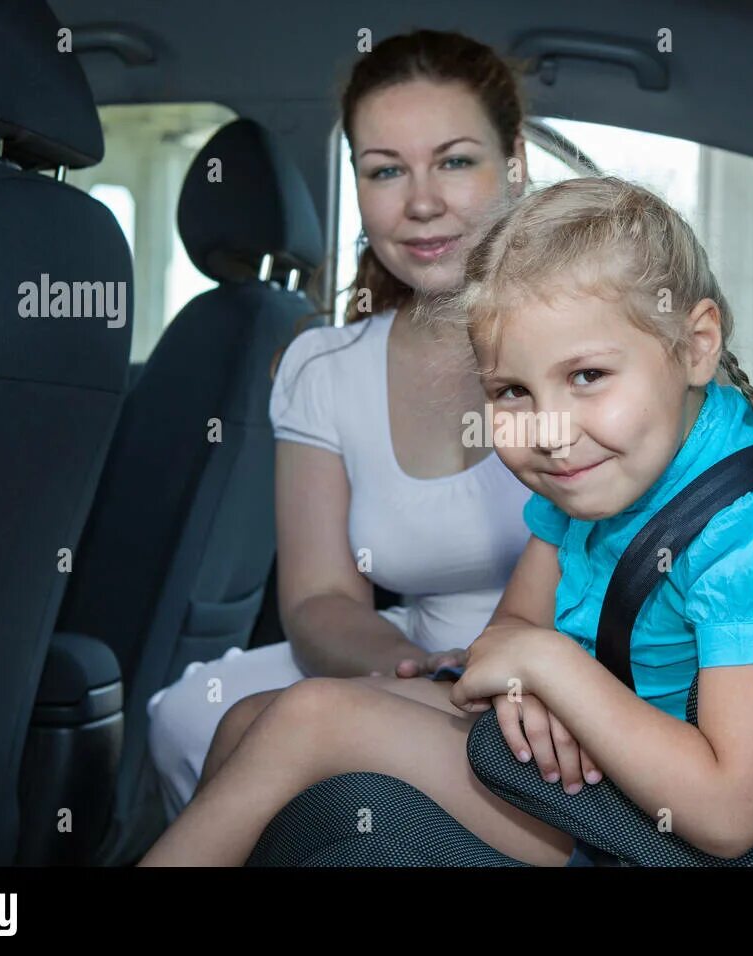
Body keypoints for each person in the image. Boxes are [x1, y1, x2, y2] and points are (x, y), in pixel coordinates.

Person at [138, 175, 753, 867]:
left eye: (587, 377)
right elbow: (505, 632)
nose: (547, 431)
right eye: (511, 390)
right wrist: (523, 674)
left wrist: (550, 668)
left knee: (309, 720)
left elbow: (730, 814)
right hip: (577, 770)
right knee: (244, 720)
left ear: (695, 346)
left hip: (648, 831)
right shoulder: (590, 478)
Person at [144, 29, 538, 819]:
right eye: (386, 170)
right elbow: (322, 598)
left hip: (567, 672)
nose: (421, 201)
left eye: (455, 161)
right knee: (188, 714)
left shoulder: (585, 343)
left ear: (515, 165)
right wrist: (407, 665)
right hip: (412, 653)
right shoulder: (324, 366)